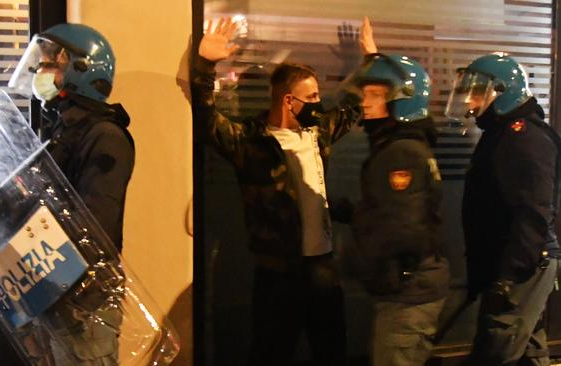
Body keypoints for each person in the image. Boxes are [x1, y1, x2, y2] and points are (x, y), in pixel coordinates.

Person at [192, 18, 372, 365]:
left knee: (332, 350)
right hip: (277, 274)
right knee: (271, 352)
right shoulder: (251, 141)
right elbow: (207, 120)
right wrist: (205, 65)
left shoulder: (316, 133)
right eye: (313, 97)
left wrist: (368, 60)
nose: (320, 103)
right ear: (289, 101)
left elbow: (352, 107)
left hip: (322, 267)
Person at [9, 23, 135, 365]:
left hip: (85, 297)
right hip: (54, 286)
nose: (40, 71)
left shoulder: (104, 135)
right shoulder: (63, 129)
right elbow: (47, 198)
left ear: (82, 70)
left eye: (51, 64)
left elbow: (94, 227)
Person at [446, 52, 561, 365]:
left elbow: (533, 211)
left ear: (500, 91)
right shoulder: (501, 132)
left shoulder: (523, 138)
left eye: (475, 92)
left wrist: (509, 276)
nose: (468, 101)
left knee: (497, 345)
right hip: (515, 262)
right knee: (527, 349)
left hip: (522, 265)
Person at [343, 53, 450, 366]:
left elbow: (405, 228)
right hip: (408, 285)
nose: (364, 102)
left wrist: (353, 259)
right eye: (364, 93)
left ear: (401, 101)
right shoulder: (400, 145)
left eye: (375, 95)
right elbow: (391, 209)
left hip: (408, 290)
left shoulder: (401, 152)